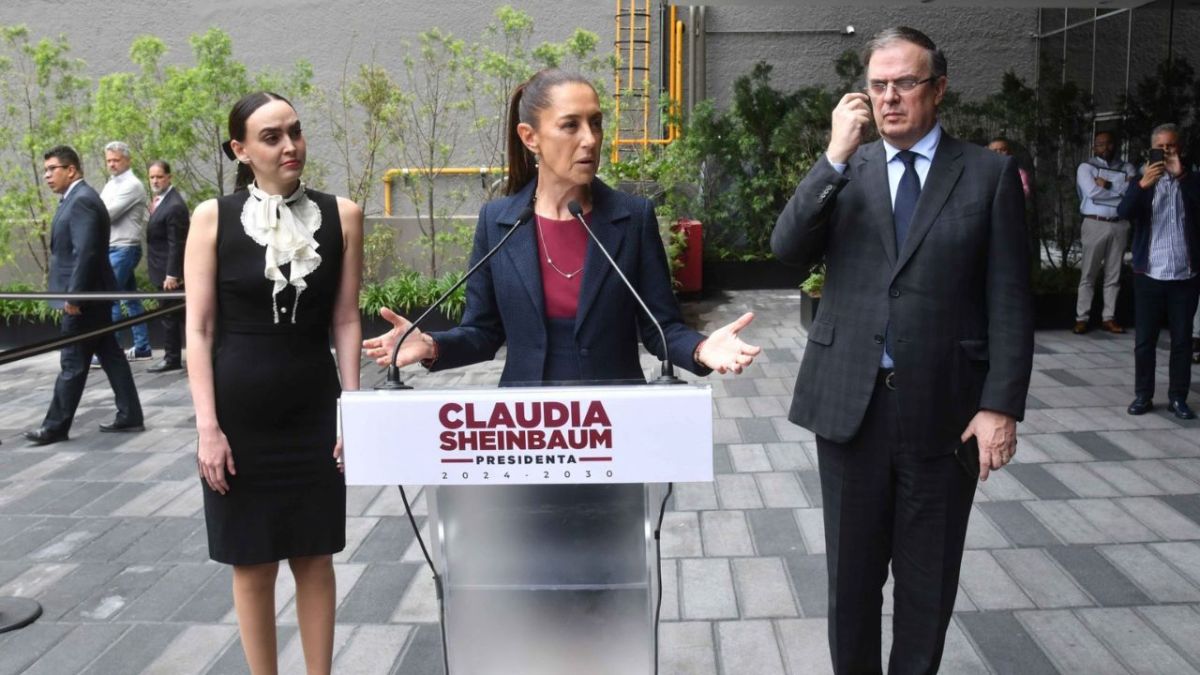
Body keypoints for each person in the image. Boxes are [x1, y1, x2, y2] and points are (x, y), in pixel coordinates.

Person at [362, 68, 760, 671]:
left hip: (610, 437)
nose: (590, 139)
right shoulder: (500, 221)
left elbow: (662, 329)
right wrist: (431, 347)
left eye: (596, 123)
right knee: (529, 585)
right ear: (530, 136)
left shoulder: (630, 217)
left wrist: (701, 350)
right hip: (521, 438)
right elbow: (485, 330)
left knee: (606, 589)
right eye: (570, 125)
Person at [771, 27, 1033, 673]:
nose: (889, 98)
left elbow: (1010, 299)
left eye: (905, 84)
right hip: (850, 411)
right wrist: (832, 156)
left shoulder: (988, 175)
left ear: (937, 89)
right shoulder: (847, 168)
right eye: (877, 85)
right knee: (850, 587)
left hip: (946, 416)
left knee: (927, 587)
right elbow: (785, 250)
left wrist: (1000, 404)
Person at [185, 92, 362, 675]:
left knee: (315, 557)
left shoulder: (344, 214)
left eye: (295, 131)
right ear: (240, 149)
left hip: (313, 405)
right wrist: (207, 428)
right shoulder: (211, 217)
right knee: (252, 562)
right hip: (239, 418)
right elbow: (201, 329)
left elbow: (344, 318)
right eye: (271, 136)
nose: (289, 145)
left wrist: (351, 411)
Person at [25, 145, 145, 446]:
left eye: (52, 169)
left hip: (85, 300)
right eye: (46, 170)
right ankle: (130, 414)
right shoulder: (76, 199)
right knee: (111, 355)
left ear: (72, 170)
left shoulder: (82, 201)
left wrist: (75, 297)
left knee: (72, 362)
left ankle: (55, 426)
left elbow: (86, 253)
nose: (47, 175)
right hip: (92, 296)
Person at [1119, 123, 1200, 420]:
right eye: (1162, 147)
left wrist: (1183, 176)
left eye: (1172, 146)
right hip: (1149, 274)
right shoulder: (1141, 182)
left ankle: (1178, 397)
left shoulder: (1191, 179)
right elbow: (1123, 213)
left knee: (1181, 340)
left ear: (1180, 148)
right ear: (1152, 149)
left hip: (1185, 275)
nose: (1167, 152)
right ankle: (1143, 395)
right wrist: (1142, 185)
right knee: (1145, 341)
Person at [1073, 130, 1136, 334]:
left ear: (1115, 145)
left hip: (1119, 224)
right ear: (1094, 146)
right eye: (1100, 144)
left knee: (1113, 274)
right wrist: (1120, 187)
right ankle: (1082, 317)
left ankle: (1109, 317)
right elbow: (1091, 191)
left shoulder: (1128, 167)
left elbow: (1131, 192)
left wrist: (1107, 184)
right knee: (1088, 273)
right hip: (1094, 223)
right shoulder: (1086, 167)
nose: (1105, 147)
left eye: (1108, 143)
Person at [99, 141, 152, 361]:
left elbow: (105, 214)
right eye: (109, 160)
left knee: (110, 299)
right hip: (115, 247)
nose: (112, 164)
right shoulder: (111, 184)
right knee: (130, 299)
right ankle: (142, 348)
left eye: (116, 160)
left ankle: (109, 351)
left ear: (127, 160)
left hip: (124, 248)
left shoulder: (132, 184)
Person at [145, 160, 189, 373]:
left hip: (168, 273)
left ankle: (172, 357)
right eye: (152, 177)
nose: (155, 180)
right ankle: (174, 356)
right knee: (173, 315)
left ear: (169, 177)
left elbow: (177, 243)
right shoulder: (161, 201)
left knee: (174, 315)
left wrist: (172, 274)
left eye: (159, 176)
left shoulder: (174, 206)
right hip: (160, 268)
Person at [987, 136, 1032, 201]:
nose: (998, 153)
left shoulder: (1019, 173)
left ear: (1010, 152)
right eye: (995, 150)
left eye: (1003, 150)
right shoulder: (981, 172)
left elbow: (1025, 192)